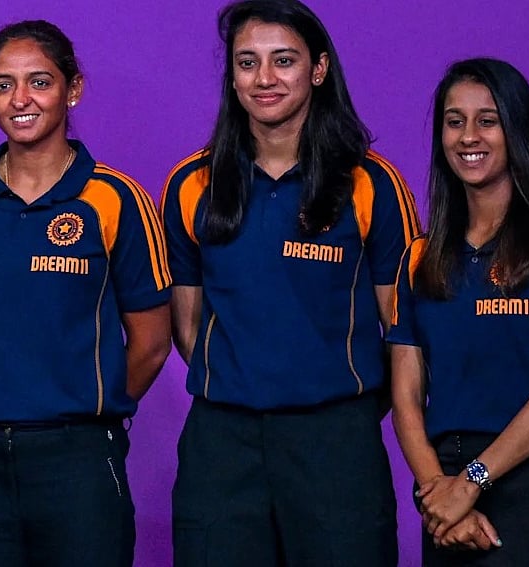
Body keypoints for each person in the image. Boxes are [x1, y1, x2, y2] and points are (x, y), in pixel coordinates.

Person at [161, 1, 420, 564]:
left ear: (319, 69)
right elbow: (187, 326)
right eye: (247, 62)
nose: (264, 79)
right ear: (231, 75)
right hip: (222, 446)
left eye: (284, 61)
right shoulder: (191, 183)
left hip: (335, 445)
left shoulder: (372, 183)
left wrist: (338, 416)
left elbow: (405, 331)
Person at [0, 20, 172, 567]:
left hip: (77, 460)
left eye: (40, 82)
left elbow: (150, 342)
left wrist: (80, 407)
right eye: (3, 85)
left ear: (72, 88)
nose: (21, 99)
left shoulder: (116, 198)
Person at [388, 57, 529, 566]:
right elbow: (405, 395)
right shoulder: (420, 257)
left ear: (517, 131)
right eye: (454, 120)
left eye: (488, 120)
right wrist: (439, 496)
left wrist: (473, 481)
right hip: (446, 500)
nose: (469, 136)